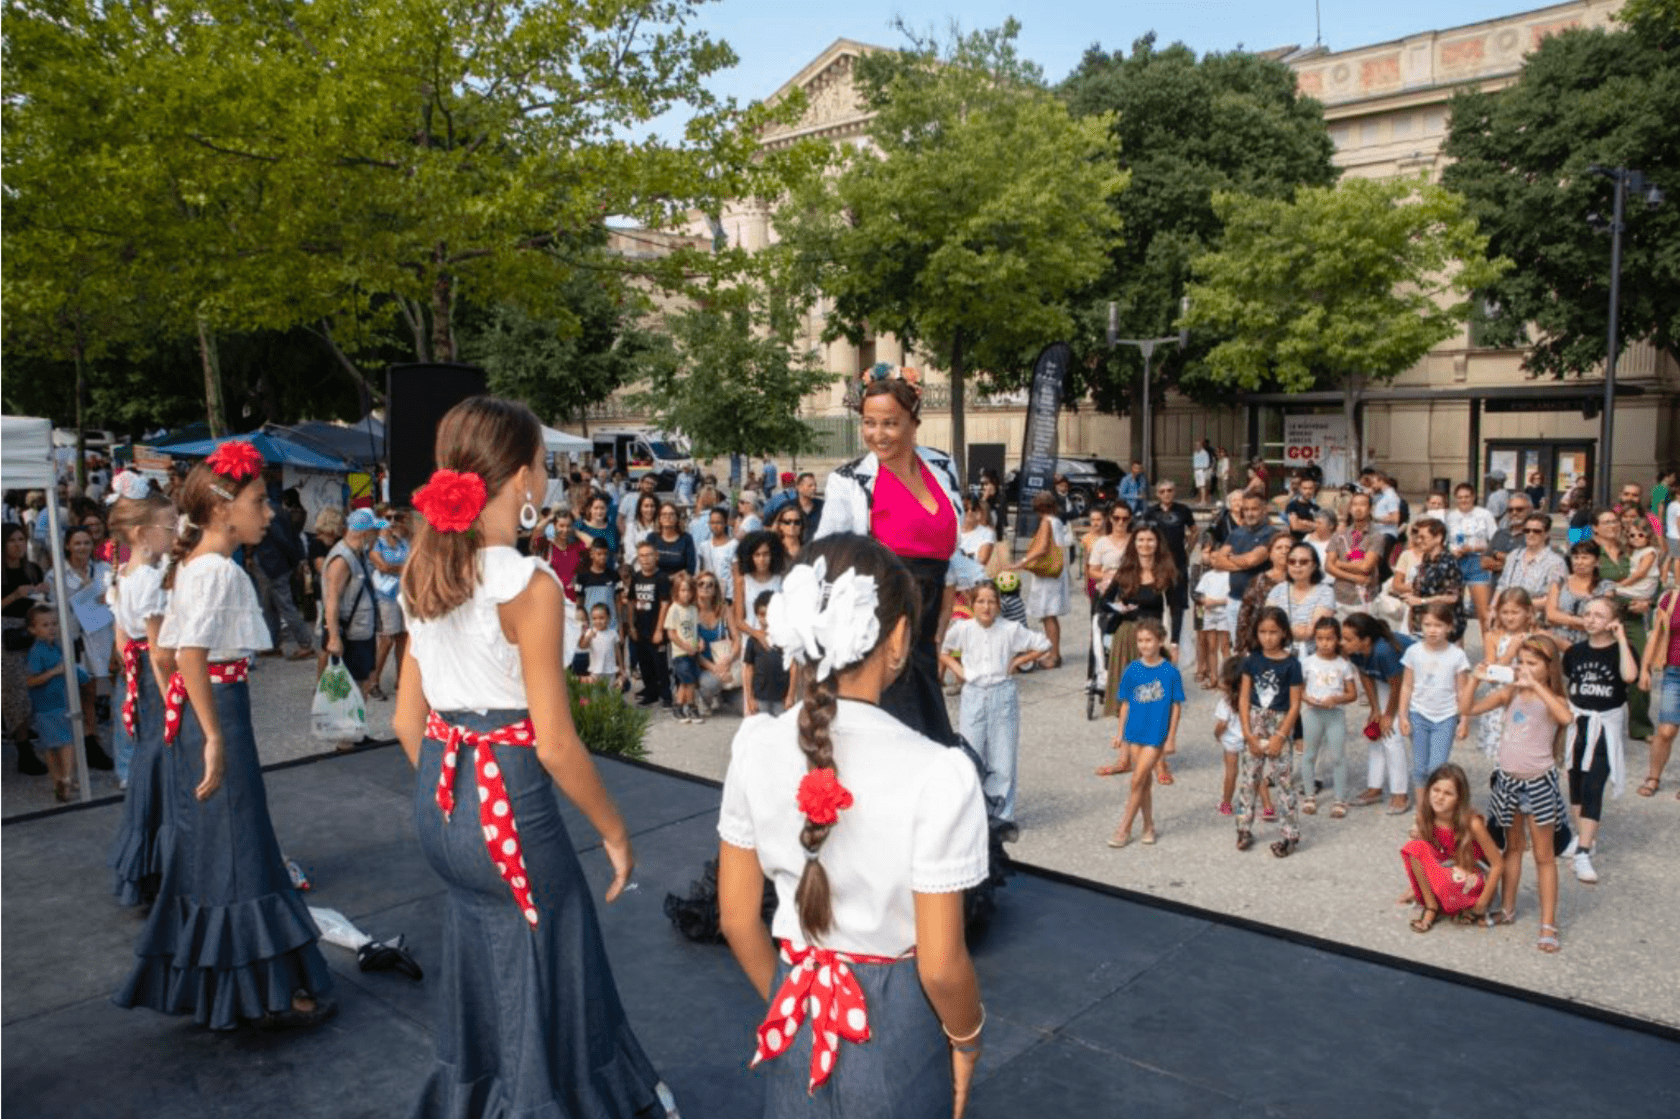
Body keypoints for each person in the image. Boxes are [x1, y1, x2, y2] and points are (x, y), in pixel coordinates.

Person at [390, 398, 674, 1116]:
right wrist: (615, 832)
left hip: (442, 798)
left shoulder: (420, 575)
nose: (546, 475)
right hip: (506, 804)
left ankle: (487, 1095)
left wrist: (452, 786)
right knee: (559, 956)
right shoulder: (528, 584)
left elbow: (404, 719)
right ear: (520, 478)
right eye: (544, 463)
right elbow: (553, 741)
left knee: (488, 949)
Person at [715, 534, 987, 1116]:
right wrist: (967, 1038)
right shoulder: (939, 772)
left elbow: (738, 919)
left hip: (797, 1008)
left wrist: (792, 998)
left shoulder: (755, 747)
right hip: (897, 1025)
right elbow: (941, 963)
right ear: (896, 640)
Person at [116, 440, 336, 1029]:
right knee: (236, 847)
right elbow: (183, 653)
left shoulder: (199, 565)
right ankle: (256, 988)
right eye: (259, 501)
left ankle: (254, 983)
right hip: (219, 717)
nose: (269, 513)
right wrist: (211, 734)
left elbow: (164, 650)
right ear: (221, 507)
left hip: (208, 713)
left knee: (230, 846)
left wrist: (188, 720)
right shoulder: (213, 569)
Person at [814, 376, 967, 742]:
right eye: (869, 422)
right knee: (902, 736)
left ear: (913, 422)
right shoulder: (849, 481)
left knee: (929, 735)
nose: (877, 434)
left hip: (929, 625)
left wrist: (953, 612)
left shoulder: (942, 466)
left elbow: (953, 551)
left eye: (890, 423)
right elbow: (824, 562)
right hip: (883, 625)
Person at [1464, 635, 1571, 952]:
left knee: (1543, 856)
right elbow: (1466, 707)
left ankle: (1548, 924)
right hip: (1508, 781)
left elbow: (1565, 718)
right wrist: (1475, 679)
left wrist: (1535, 685)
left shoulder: (1553, 699)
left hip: (1538, 783)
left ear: (1549, 668)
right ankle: (1508, 909)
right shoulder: (1509, 694)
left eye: (1532, 663)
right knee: (1512, 848)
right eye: (1521, 662)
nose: (1524, 668)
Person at [104, 473, 177, 902]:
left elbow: (121, 643)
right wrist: (171, 698)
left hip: (137, 678)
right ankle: (166, 868)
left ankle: (145, 868)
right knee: (163, 765)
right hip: (155, 679)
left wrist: (132, 682)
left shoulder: (120, 575)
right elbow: (159, 650)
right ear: (141, 532)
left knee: (147, 764)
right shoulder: (149, 580)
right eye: (169, 527)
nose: (174, 533)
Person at [940, 580, 1050, 830]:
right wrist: (959, 669)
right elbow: (944, 649)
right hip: (974, 694)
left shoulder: (1010, 629)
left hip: (1002, 694)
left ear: (999, 605)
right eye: (981, 601)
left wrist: (1019, 661)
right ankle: (975, 812)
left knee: (1003, 757)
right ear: (972, 604)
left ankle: (1001, 815)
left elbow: (1044, 644)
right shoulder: (963, 628)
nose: (986, 607)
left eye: (991, 601)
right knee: (972, 755)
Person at [1559, 597, 1636, 885]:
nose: (1591, 619)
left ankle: (1582, 852)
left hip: (1605, 725)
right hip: (1579, 723)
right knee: (1576, 781)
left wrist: (1622, 639)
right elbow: (1570, 682)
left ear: (1613, 621)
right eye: (1587, 614)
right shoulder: (1575, 652)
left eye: (1599, 615)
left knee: (1594, 784)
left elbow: (1630, 676)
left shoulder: (1621, 652)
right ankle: (1584, 837)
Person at [1105, 619, 1184, 849]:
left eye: (1149, 640)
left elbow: (1176, 706)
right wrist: (1120, 734)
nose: (1144, 645)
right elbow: (1126, 704)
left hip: (1156, 733)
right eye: (1140, 640)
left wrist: (1171, 737)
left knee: (1136, 779)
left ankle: (1124, 828)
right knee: (1144, 783)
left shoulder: (1169, 672)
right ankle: (1148, 825)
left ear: (1160, 641)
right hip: (1134, 732)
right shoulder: (1132, 670)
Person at [1399, 763, 1502, 932]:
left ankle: (1460, 906)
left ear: (1459, 798)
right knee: (1414, 848)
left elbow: (1498, 864)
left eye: (1448, 793)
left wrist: (1483, 901)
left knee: (1450, 879)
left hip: (1471, 873)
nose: (1439, 797)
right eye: (1436, 790)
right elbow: (1429, 856)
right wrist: (1415, 886)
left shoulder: (1472, 823)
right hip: (1447, 869)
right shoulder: (1426, 817)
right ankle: (1432, 907)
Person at [1235, 607, 1303, 857]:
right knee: (1249, 779)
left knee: (1284, 782)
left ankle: (1289, 835)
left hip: (1279, 724)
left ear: (1284, 632)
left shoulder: (1292, 664)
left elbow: (1296, 703)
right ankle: (1243, 829)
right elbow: (1243, 697)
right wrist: (1247, 733)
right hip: (1254, 722)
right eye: (1262, 632)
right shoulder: (1251, 660)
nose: (1268, 637)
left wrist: (1281, 736)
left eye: (1273, 632)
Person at [1342, 613, 1417, 814]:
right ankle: (1374, 788)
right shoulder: (1355, 650)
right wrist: (1375, 709)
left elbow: (1397, 684)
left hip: (1413, 681)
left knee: (1391, 734)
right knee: (1374, 733)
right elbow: (1365, 674)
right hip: (1388, 679)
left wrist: (1388, 716)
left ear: (1365, 640)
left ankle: (1400, 793)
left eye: (1348, 639)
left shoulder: (1384, 651)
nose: (1343, 642)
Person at [1397, 603, 1473, 794]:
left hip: (1445, 718)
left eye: (1438, 625)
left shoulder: (1457, 655)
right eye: (1427, 625)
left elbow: (1463, 692)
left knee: (1437, 768)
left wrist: (1464, 721)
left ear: (1449, 627)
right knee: (1420, 768)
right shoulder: (1413, 652)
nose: (1432, 630)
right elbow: (1406, 686)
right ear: (1420, 626)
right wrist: (1402, 716)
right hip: (1418, 714)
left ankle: (1436, 812)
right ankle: (1422, 815)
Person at [24, 606, 92, 801]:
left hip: (62, 701)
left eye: (54, 624)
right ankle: (65, 779)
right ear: (33, 630)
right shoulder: (37, 652)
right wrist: (54, 672)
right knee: (63, 744)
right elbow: (30, 680)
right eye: (45, 625)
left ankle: (61, 781)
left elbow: (70, 664)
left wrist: (82, 677)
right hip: (47, 705)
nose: (51, 628)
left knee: (57, 745)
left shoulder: (61, 647)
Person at [322, 507, 384, 701]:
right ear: (365, 533)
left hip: (361, 630)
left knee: (362, 682)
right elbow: (331, 600)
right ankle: (349, 730)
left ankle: (358, 729)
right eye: (375, 531)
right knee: (349, 687)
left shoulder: (357, 553)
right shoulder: (341, 559)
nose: (378, 535)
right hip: (351, 633)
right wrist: (333, 637)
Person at [1299, 617, 1358, 818]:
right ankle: (1309, 796)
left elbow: (1353, 694)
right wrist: (1307, 698)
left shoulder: (1343, 665)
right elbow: (1298, 690)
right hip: (1313, 714)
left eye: (1329, 638)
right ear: (1314, 639)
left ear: (1337, 639)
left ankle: (1339, 799)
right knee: (1308, 755)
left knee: (1338, 757)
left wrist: (1337, 698)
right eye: (1320, 638)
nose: (1324, 643)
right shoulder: (1307, 663)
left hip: (1335, 715)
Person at [3, 522, 50, 774]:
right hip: (6, 637)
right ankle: (23, 748)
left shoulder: (32, 569)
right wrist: (15, 596)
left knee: (35, 686)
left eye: (22, 539)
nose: (18, 545)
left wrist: (42, 593)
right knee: (15, 691)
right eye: (12, 540)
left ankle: (29, 735)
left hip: (33, 631)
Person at [1473, 589, 1538, 760]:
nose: (1509, 617)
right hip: (1499, 704)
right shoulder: (1493, 637)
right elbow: (1491, 675)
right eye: (1505, 612)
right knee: (1500, 759)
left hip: (1528, 700)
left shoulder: (1537, 637)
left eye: (1515, 612)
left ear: (1528, 612)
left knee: (1525, 756)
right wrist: (1510, 652)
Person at [1008, 491, 1070, 669]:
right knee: (1050, 614)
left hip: (1047, 575)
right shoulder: (1057, 521)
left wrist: (1022, 562)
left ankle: (1054, 655)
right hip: (1056, 571)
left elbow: (1042, 548)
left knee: (1048, 614)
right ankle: (1054, 653)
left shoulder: (1046, 522)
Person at [252, 487, 314, 661]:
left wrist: (293, 559)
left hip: (270, 563)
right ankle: (273, 643)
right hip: (279, 564)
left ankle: (304, 643)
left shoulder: (269, 512)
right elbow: (292, 537)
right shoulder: (283, 511)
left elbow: (281, 539)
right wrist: (296, 559)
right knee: (272, 605)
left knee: (278, 605)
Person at [1210, 493, 1277, 651]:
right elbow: (1218, 562)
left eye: (1254, 509)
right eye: (1245, 509)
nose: (1249, 513)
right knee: (1239, 649)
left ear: (1264, 510)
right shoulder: (1236, 533)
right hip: (1234, 600)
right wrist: (1242, 562)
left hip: (1260, 602)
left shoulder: (1271, 534)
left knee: (1260, 649)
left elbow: (1253, 560)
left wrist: (1231, 558)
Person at [1637, 580, 1680, 798]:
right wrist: (1645, 669)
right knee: (1666, 731)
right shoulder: (1670, 598)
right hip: (1674, 672)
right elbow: (1655, 635)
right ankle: (1653, 777)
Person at [1140, 479, 1197, 641]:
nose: (1166, 494)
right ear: (1158, 494)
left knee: (1177, 605)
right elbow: (1142, 535)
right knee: (1154, 601)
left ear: (1174, 491)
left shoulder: (1183, 510)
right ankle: (1156, 639)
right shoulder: (1150, 512)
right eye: (1162, 491)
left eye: (1169, 490)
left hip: (1178, 562)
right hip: (1156, 563)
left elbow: (1195, 531)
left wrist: (1189, 551)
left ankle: (1175, 642)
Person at [1446, 482, 1500, 640]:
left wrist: (1474, 548)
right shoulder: (1450, 516)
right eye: (1460, 497)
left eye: (1467, 497)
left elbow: (1495, 540)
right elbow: (1445, 541)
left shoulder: (1484, 514)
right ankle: (1456, 653)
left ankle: (1489, 652)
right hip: (1456, 562)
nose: (1463, 500)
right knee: (1454, 612)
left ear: (1473, 497)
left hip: (1478, 561)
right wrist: (1452, 550)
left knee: (1483, 613)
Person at [368, 512, 411, 701]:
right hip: (386, 596)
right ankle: (373, 681)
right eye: (388, 518)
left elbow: (412, 563)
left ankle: (401, 680)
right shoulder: (376, 545)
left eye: (395, 518)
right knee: (387, 639)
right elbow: (382, 566)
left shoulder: (403, 542)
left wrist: (398, 568)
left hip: (404, 594)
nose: (392, 522)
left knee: (403, 637)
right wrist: (402, 568)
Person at [1266, 543, 1335, 658]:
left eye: (1303, 562)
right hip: (1279, 656)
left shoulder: (1326, 592)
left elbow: (1310, 633)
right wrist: (1292, 629)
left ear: (1314, 565)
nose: (1297, 566)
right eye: (1292, 561)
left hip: (1313, 659)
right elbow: (1268, 626)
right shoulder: (1277, 590)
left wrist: (1281, 628)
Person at [1402, 519, 1465, 641]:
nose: (1418, 541)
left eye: (1423, 537)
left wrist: (1421, 601)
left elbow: (1452, 597)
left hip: (1441, 630)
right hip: (1422, 627)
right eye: (1417, 537)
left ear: (1438, 538)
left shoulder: (1448, 562)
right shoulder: (1427, 558)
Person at [627, 540, 672, 709]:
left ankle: (666, 696)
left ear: (656, 556)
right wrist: (631, 625)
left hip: (656, 628)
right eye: (641, 556)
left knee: (660, 664)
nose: (645, 559)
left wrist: (659, 630)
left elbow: (665, 604)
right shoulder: (637, 577)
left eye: (648, 555)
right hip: (640, 628)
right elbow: (631, 601)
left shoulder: (661, 578)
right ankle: (651, 692)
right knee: (644, 662)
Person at [1234, 535, 1293, 656]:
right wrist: (1242, 647)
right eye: (1279, 547)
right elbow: (1244, 614)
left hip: (1291, 642)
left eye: (1288, 548)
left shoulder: (1301, 581)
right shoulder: (1258, 581)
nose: (1284, 551)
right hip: (1262, 643)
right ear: (1270, 554)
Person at [1326, 492, 1384, 614]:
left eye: (1362, 504)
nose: (1358, 508)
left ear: (1370, 509)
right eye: (1354, 505)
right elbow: (1328, 566)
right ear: (1350, 509)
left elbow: (1365, 567)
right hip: (1339, 596)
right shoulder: (1339, 535)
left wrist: (1339, 564)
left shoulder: (1376, 536)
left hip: (1364, 598)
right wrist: (1354, 577)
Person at [1545, 540, 1612, 646]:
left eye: (1585, 557)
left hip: (1590, 644)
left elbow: (1601, 622)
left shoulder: (1605, 587)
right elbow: (1551, 615)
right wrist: (1583, 621)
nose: (1579, 562)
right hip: (1557, 643)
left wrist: (1563, 619)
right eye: (1576, 557)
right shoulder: (1559, 582)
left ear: (1597, 562)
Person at [742, 590, 795, 718]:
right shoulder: (753, 641)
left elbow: (793, 667)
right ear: (756, 615)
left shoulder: (786, 639)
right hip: (760, 698)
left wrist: (791, 695)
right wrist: (749, 698)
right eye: (762, 614)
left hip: (781, 699)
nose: (766, 619)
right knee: (761, 731)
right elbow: (748, 669)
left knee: (780, 732)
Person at [733, 530, 786, 650]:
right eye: (757, 555)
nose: (762, 559)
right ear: (750, 557)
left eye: (766, 554)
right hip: (751, 642)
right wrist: (756, 633)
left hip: (777, 640)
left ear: (772, 555)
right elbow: (738, 620)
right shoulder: (743, 581)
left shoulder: (780, 580)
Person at [1499, 510, 1567, 599]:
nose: (1530, 534)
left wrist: (1519, 605)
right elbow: (1501, 587)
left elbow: (1552, 599)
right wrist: (1493, 608)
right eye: (1527, 530)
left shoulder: (1556, 563)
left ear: (1546, 534)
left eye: (1536, 531)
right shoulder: (1513, 555)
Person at [694, 572, 736, 714]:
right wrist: (714, 668)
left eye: (710, 584)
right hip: (701, 664)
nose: (705, 587)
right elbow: (693, 651)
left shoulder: (724, 609)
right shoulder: (691, 611)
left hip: (723, 661)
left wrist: (729, 660)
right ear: (695, 587)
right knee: (711, 683)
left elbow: (737, 639)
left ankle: (722, 695)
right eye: (701, 584)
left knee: (742, 707)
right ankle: (703, 698)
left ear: (715, 589)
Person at [1211, 656, 1249, 816]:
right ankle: (1268, 806)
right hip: (1249, 740)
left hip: (1231, 744)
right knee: (1256, 774)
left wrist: (1216, 734)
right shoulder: (1249, 698)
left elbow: (1222, 724)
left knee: (1231, 773)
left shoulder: (1226, 702)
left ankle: (1226, 803)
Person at [665, 571, 704, 724]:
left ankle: (679, 706)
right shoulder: (674, 609)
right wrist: (685, 646)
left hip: (693, 652)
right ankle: (692, 707)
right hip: (680, 653)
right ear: (676, 591)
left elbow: (696, 629)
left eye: (689, 590)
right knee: (688, 681)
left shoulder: (693, 609)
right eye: (682, 590)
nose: (686, 594)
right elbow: (671, 633)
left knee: (687, 681)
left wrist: (700, 641)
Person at [576, 602, 624, 688]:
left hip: (610, 671)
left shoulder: (613, 634)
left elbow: (618, 651)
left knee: (610, 693)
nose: (598, 621)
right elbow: (582, 646)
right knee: (596, 694)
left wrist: (621, 667)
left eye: (601, 618)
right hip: (595, 671)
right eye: (594, 618)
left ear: (608, 618)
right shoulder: (590, 632)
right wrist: (588, 637)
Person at [650, 501, 697, 577]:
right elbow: (648, 565)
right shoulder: (652, 538)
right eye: (664, 514)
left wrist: (670, 579)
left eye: (671, 514)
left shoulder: (686, 539)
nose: (668, 517)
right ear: (659, 519)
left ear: (677, 518)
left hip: (679, 584)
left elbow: (690, 569)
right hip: (656, 582)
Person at [1283, 475, 1321, 543]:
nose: (1308, 491)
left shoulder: (1316, 508)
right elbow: (1295, 526)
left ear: (1314, 489)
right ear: (1300, 489)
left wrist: (1302, 522)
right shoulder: (1293, 505)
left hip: (1312, 543)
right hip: (1297, 542)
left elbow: (1319, 527)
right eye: (1305, 488)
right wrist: (1311, 525)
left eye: (1310, 488)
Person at [1193, 440, 1214, 505]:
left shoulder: (1204, 453)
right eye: (1196, 445)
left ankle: (1203, 500)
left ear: (1201, 446)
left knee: (1202, 486)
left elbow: (1207, 463)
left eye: (1198, 445)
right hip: (1196, 470)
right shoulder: (1195, 453)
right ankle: (1200, 500)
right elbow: (1194, 462)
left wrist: (1202, 468)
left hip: (1202, 470)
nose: (1197, 446)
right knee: (1199, 486)